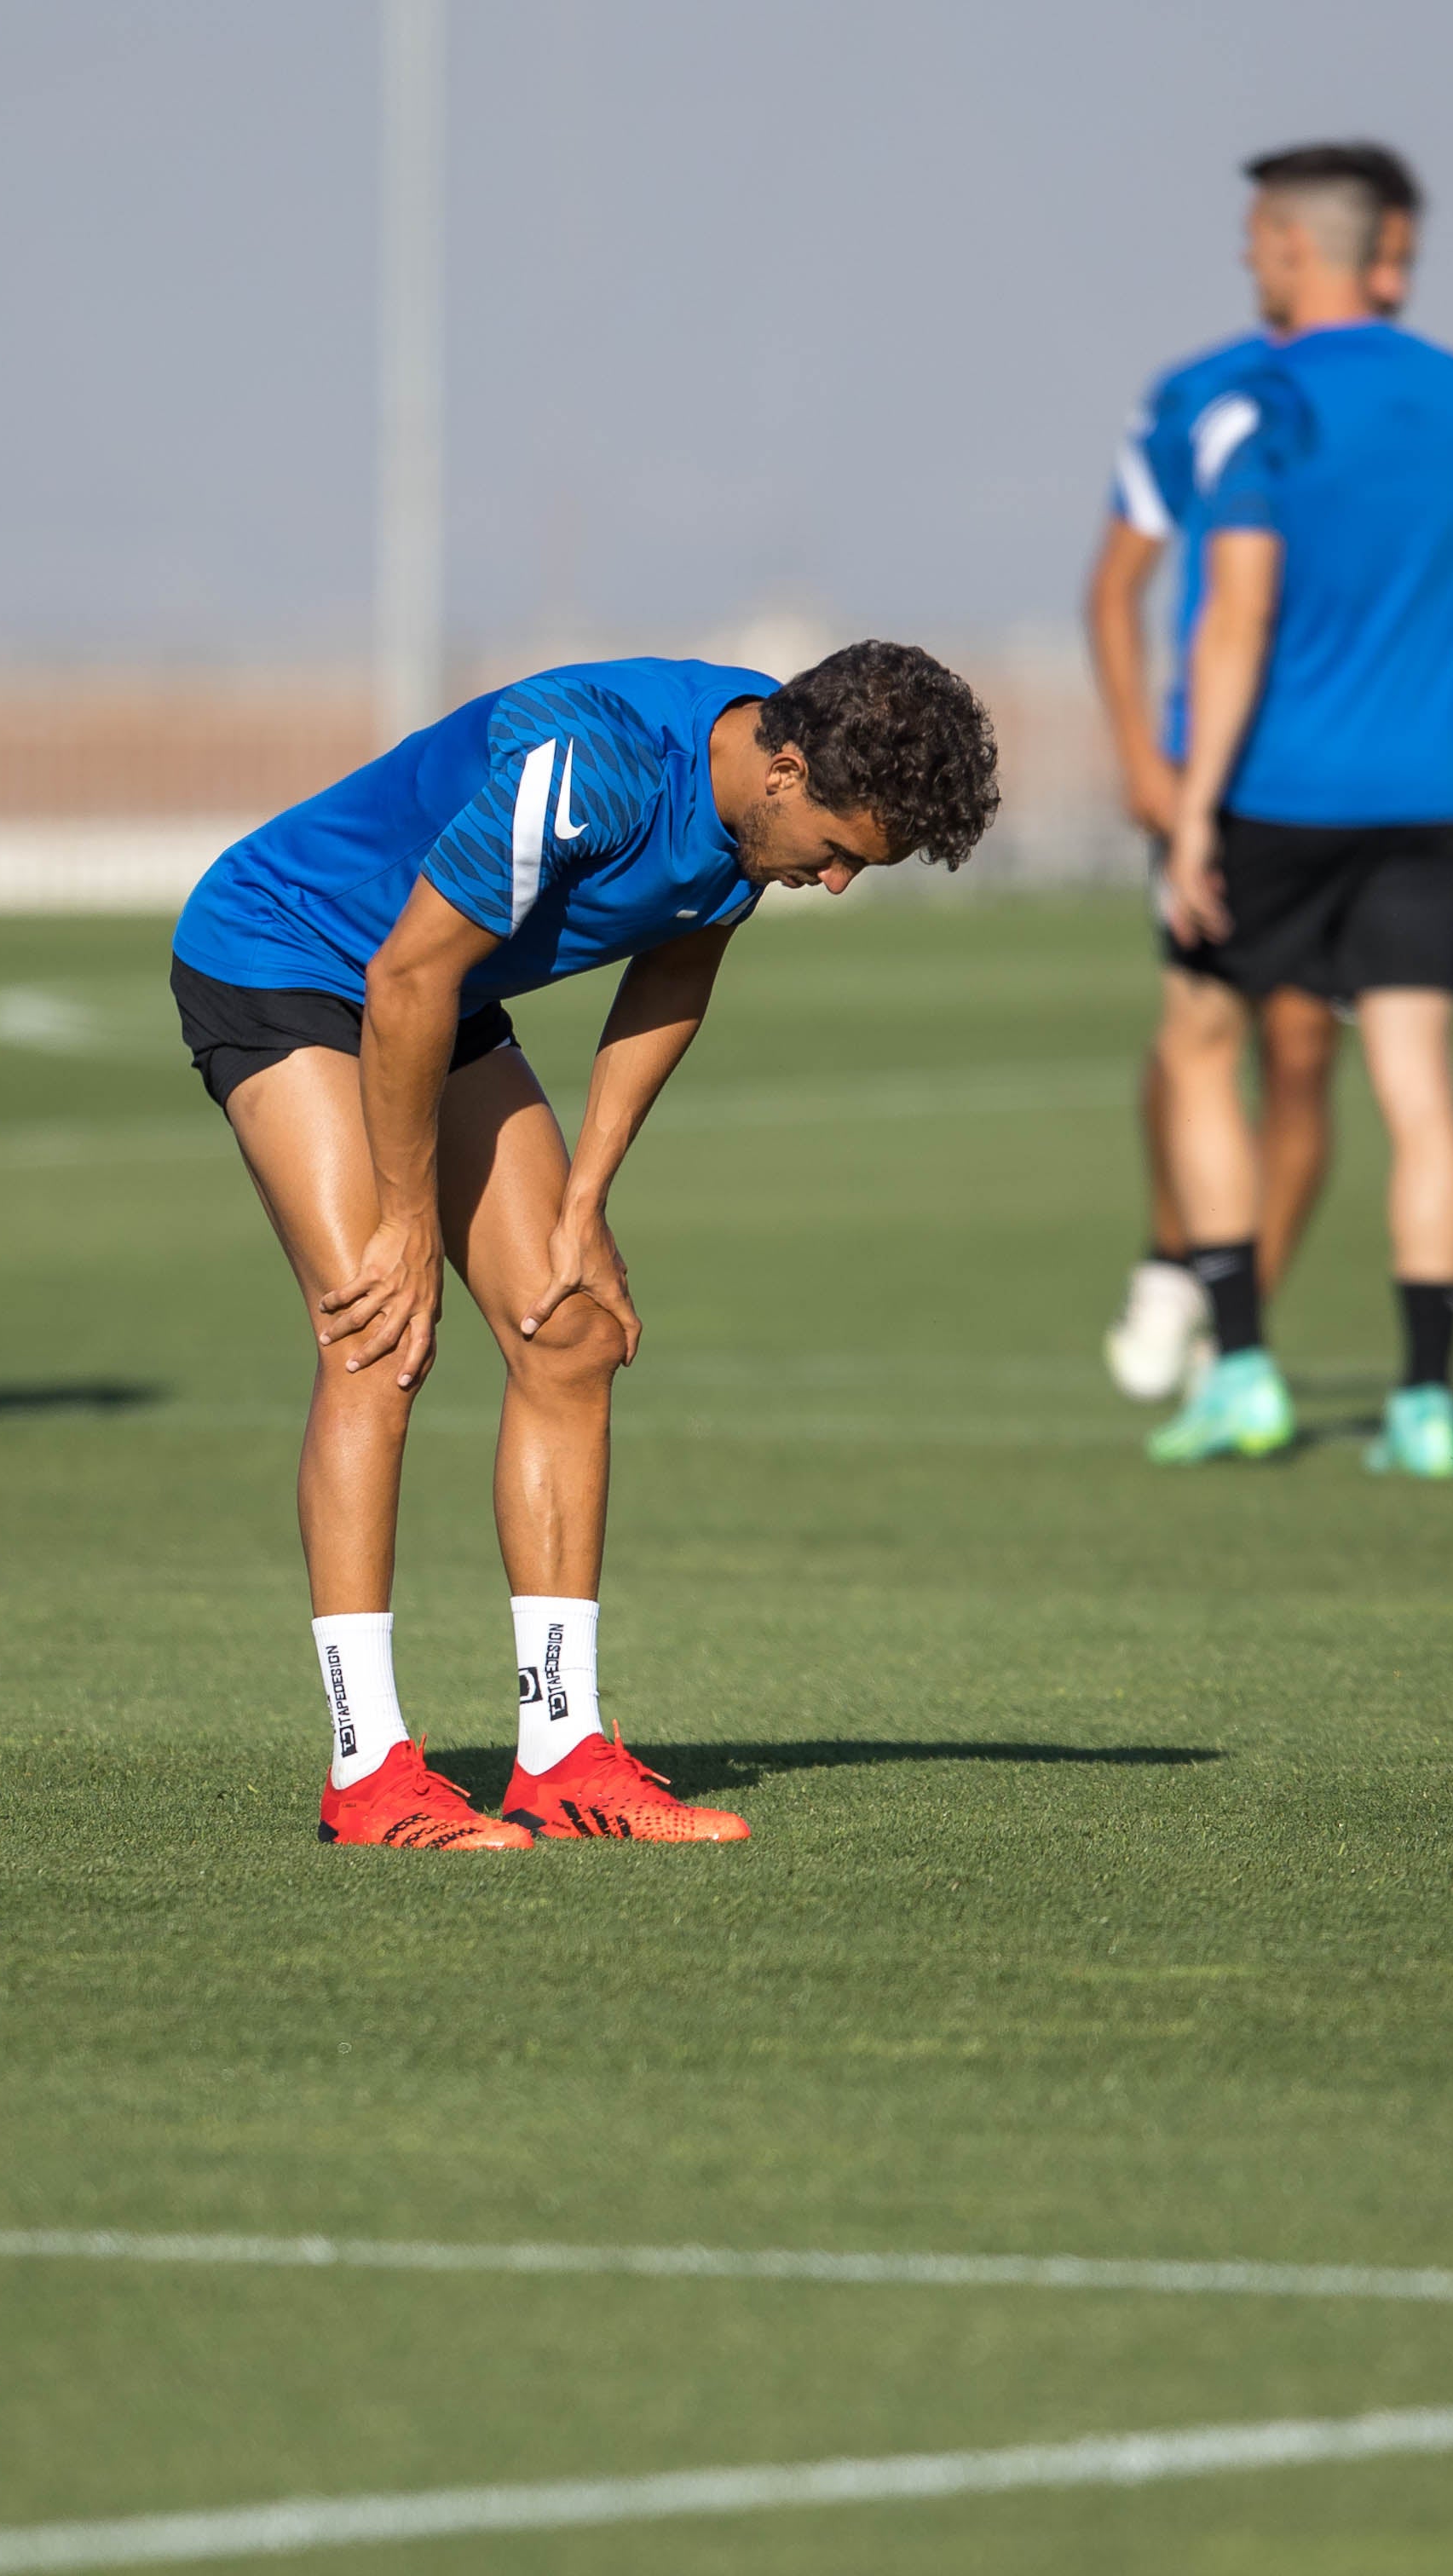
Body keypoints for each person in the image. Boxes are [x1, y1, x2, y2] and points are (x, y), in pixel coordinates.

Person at [169, 644, 1000, 1849]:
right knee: (377, 1331)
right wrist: (405, 1223)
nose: (831, 883)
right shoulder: (596, 769)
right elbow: (403, 976)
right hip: (292, 957)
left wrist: (583, 1204)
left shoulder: (758, 796)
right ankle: (367, 1772)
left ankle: (560, 1752)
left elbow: (673, 968)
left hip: (433, 993)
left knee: (569, 1332)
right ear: (782, 769)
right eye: (835, 852)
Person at [1146, 143, 1453, 1475]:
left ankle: (1240, 1368)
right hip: (1421, 794)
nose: (1249, 259)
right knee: (1416, 1086)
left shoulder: (1256, 400)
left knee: (1198, 1049)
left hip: (1272, 796)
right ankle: (1426, 1403)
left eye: (1257, 238)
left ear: (1299, 247)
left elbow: (1235, 614)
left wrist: (1190, 817)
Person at [1085, 260, 1269, 1406]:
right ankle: (1174, 1267)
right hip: (1217, 777)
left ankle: (1239, 1336)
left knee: (1303, 1057)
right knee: (1196, 1034)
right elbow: (1115, 587)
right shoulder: (1200, 394)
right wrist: (1144, 761)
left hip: (1355, 789)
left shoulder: (1418, 400)